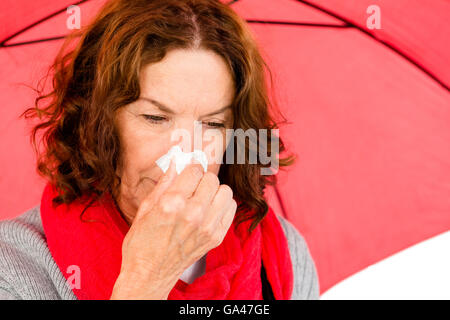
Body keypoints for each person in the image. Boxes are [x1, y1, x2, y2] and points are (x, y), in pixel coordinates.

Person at [0, 0, 319, 300]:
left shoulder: (282, 253)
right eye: (155, 118)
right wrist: (147, 278)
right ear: (97, 123)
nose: (184, 157)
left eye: (212, 124)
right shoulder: (15, 265)